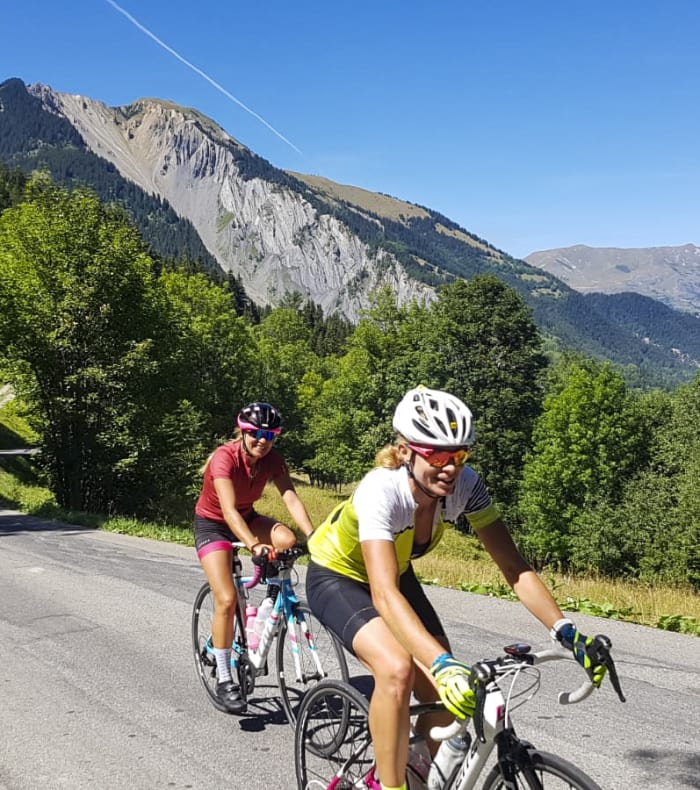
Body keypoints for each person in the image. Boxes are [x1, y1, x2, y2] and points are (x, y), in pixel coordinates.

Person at [306, 386, 609, 790]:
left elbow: (514, 567)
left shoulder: (466, 485)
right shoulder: (382, 489)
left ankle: (407, 769)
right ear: (404, 451)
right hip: (338, 576)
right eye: (436, 456)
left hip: (395, 574)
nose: (450, 468)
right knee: (396, 669)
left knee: (451, 701)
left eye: (459, 455)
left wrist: (566, 631)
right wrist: (441, 662)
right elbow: (383, 594)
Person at [194, 401, 314, 713]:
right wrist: (251, 544)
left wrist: (314, 536)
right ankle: (223, 677)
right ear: (243, 432)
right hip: (213, 525)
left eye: (271, 435)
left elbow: (291, 497)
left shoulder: (272, 459)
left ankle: (267, 605)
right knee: (225, 599)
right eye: (257, 433)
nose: (263, 440)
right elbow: (228, 510)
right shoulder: (225, 458)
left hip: (246, 518)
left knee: (286, 540)